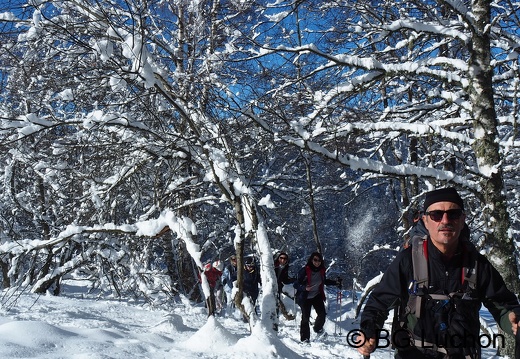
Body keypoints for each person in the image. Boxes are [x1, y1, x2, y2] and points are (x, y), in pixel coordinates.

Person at [357, 187, 520, 359]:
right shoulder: (408, 261)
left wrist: (513, 320)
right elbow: (379, 303)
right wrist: (369, 331)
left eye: (453, 214)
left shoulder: (477, 265)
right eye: (436, 215)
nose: (445, 220)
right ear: (426, 221)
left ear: (462, 219)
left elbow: (503, 306)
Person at [293, 251, 342, 342]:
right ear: (311, 260)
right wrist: (304, 288)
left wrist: (335, 283)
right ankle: (305, 339)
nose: (317, 262)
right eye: (315, 260)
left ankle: (317, 329)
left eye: (319, 260)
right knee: (305, 318)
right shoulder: (304, 270)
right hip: (305, 297)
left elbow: (324, 281)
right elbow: (296, 284)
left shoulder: (321, 270)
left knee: (322, 314)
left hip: (316, 295)